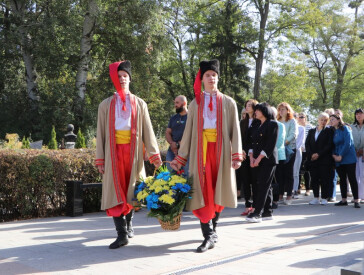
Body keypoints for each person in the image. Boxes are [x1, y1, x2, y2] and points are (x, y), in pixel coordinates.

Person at [170, 59, 243, 253]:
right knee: (202, 192)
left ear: (218, 78)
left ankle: (213, 229)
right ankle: (208, 235)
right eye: (207, 75)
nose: (211, 78)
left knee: (218, 191)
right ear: (201, 79)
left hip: (221, 153)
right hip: (200, 153)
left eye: (214, 75)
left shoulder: (229, 102)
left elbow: (235, 130)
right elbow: (188, 133)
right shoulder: (195, 103)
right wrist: (181, 157)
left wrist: (236, 155)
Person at [96, 60, 162, 249]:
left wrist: (154, 155)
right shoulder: (105, 105)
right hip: (113, 153)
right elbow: (100, 133)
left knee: (132, 191)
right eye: (119, 77)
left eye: (125, 76)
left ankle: (130, 223)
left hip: (133, 155)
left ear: (130, 79)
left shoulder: (140, 104)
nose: (122, 79)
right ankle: (121, 233)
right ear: (114, 81)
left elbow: (148, 130)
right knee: (115, 192)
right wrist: (100, 159)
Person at [246, 103, 278, 223]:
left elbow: (270, 144)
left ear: (265, 111)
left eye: (258, 110)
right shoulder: (256, 124)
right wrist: (251, 157)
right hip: (255, 159)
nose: (256, 112)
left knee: (263, 186)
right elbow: (251, 142)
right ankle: (267, 212)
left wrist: (258, 159)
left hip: (267, 160)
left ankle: (257, 212)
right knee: (265, 185)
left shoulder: (272, 124)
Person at [330, 114, 360, 208]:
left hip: (348, 157)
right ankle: (343, 200)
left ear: (339, 120)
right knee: (342, 179)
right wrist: (334, 155)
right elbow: (333, 145)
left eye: (333, 119)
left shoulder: (345, 129)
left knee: (352, 178)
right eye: (330, 120)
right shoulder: (334, 131)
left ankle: (356, 200)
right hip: (338, 158)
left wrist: (341, 155)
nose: (331, 121)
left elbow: (348, 143)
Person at [237, 99, 260, 216]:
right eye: (246, 105)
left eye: (250, 105)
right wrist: (241, 150)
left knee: (255, 181)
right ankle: (247, 205)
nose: (247, 107)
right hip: (243, 155)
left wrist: (250, 151)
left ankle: (255, 206)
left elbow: (256, 140)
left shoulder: (258, 122)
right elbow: (238, 138)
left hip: (254, 154)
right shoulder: (242, 122)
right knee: (245, 180)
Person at [305, 113, 334, 205]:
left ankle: (324, 198)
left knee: (324, 179)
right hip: (313, 159)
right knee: (314, 178)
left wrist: (319, 154)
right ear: (318, 120)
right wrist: (311, 154)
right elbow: (307, 144)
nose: (323, 122)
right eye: (322, 119)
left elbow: (329, 145)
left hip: (324, 159)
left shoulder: (329, 131)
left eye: (325, 120)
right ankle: (316, 197)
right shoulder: (312, 131)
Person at [276, 102, 298, 205]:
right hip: (279, 150)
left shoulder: (292, 121)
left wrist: (284, 142)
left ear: (288, 110)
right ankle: (280, 195)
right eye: (279, 109)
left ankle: (289, 196)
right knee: (280, 173)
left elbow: (293, 134)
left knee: (289, 173)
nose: (281, 111)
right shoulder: (277, 121)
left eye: (283, 109)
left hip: (289, 149)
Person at [165, 95, 189, 176]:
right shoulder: (173, 118)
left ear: (184, 103)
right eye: (175, 103)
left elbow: (192, 135)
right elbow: (168, 132)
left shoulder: (191, 118)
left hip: (186, 152)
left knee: (186, 176)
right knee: (171, 175)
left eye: (177, 103)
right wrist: (172, 143)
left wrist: (179, 144)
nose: (175, 105)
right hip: (172, 151)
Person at [271, 106, 286, 210]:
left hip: (277, 156)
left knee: (277, 179)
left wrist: (267, 150)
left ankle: (275, 200)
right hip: (266, 156)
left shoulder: (280, 125)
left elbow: (280, 141)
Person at [297, 112, 313, 196]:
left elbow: (311, 139)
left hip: (307, 151)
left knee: (307, 170)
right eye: (299, 117)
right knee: (298, 170)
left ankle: (307, 189)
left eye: (302, 117)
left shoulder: (309, 127)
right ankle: (298, 188)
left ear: (305, 118)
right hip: (299, 151)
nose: (300, 118)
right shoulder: (296, 127)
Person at [351, 108, 364, 203]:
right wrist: (354, 150)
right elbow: (349, 141)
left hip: (363, 154)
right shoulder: (352, 127)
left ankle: (363, 196)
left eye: (360, 113)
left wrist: (363, 151)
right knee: (355, 175)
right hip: (354, 153)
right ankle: (356, 196)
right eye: (357, 114)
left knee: (363, 175)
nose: (358, 115)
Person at [293, 113, 305, 196]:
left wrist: (293, 149)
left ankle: (295, 190)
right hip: (287, 152)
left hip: (296, 152)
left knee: (296, 173)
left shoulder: (301, 128)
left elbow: (300, 142)